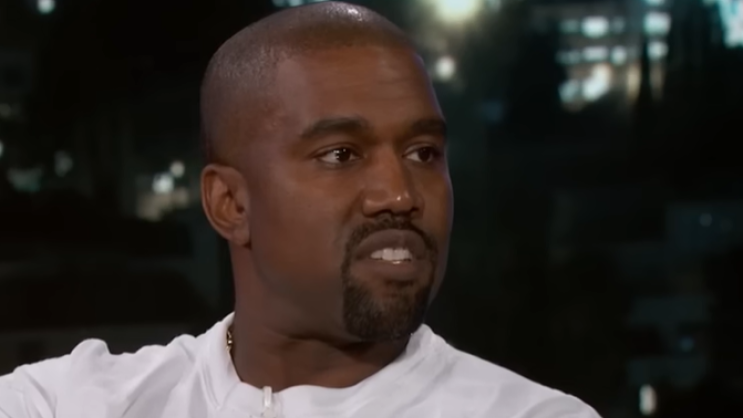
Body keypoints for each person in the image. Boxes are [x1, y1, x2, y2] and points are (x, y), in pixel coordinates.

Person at [0, 2, 601, 417]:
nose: (399, 195)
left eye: (423, 153)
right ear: (230, 203)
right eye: (342, 154)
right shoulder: (69, 404)